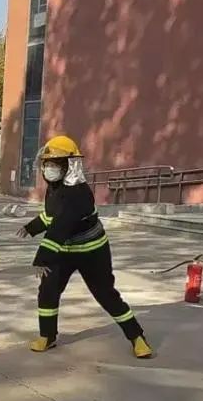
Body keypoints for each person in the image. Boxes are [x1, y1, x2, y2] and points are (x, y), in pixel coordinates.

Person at [17, 135, 154, 358]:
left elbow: (61, 226)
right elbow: (51, 216)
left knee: (106, 294)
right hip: (64, 251)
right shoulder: (55, 188)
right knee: (48, 291)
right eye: (47, 163)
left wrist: (41, 258)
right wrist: (31, 227)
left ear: (69, 166)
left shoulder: (77, 194)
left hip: (92, 251)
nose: (49, 168)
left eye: (54, 164)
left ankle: (137, 337)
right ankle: (48, 336)